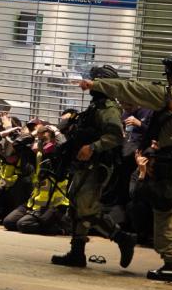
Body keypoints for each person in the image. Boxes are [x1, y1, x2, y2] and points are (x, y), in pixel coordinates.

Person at [80, 54, 172, 271]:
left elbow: (129, 89)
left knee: (165, 210)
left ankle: (171, 261)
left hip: (170, 162)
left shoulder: (165, 93)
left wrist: (96, 83)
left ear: (169, 73)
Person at [51, 65, 137, 269]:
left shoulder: (108, 107)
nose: (89, 83)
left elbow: (116, 136)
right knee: (76, 206)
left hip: (97, 165)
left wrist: (92, 147)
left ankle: (122, 238)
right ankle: (77, 253)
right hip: (85, 164)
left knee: (87, 209)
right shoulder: (97, 105)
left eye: (93, 80)